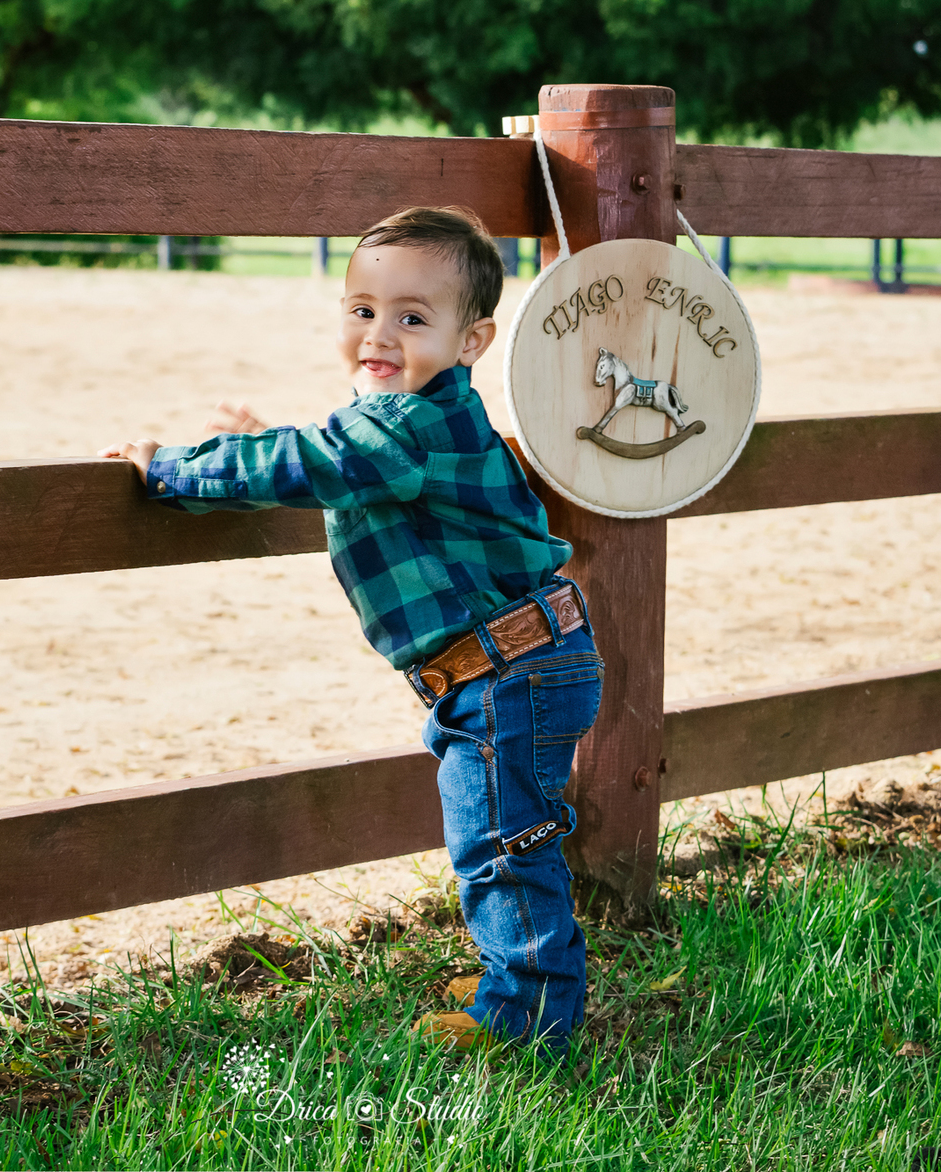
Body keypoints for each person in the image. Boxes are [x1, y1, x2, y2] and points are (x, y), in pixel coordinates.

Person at [100, 205, 603, 1056]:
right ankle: (522, 976)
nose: (380, 333)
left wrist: (168, 468)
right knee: (503, 835)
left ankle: (530, 1018)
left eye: (412, 318)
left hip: (506, 673)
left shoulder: (406, 425)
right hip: (512, 665)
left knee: (502, 847)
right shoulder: (403, 424)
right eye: (362, 310)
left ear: (472, 341)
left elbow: (318, 462)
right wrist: (260, 447)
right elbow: (324, 463)